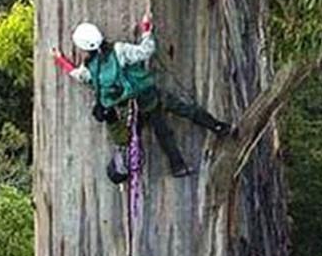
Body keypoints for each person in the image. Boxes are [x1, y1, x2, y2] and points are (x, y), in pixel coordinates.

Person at [52, 15, 230, 178]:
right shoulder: (119, 50)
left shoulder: (90, 68)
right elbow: (146, 51)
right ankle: (218, 127)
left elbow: (79, 75)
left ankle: (178, 167)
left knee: (161, 133)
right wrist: (146, 30)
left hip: (129, 109)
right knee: (186, 110)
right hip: (148, 95)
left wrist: (61, 60)